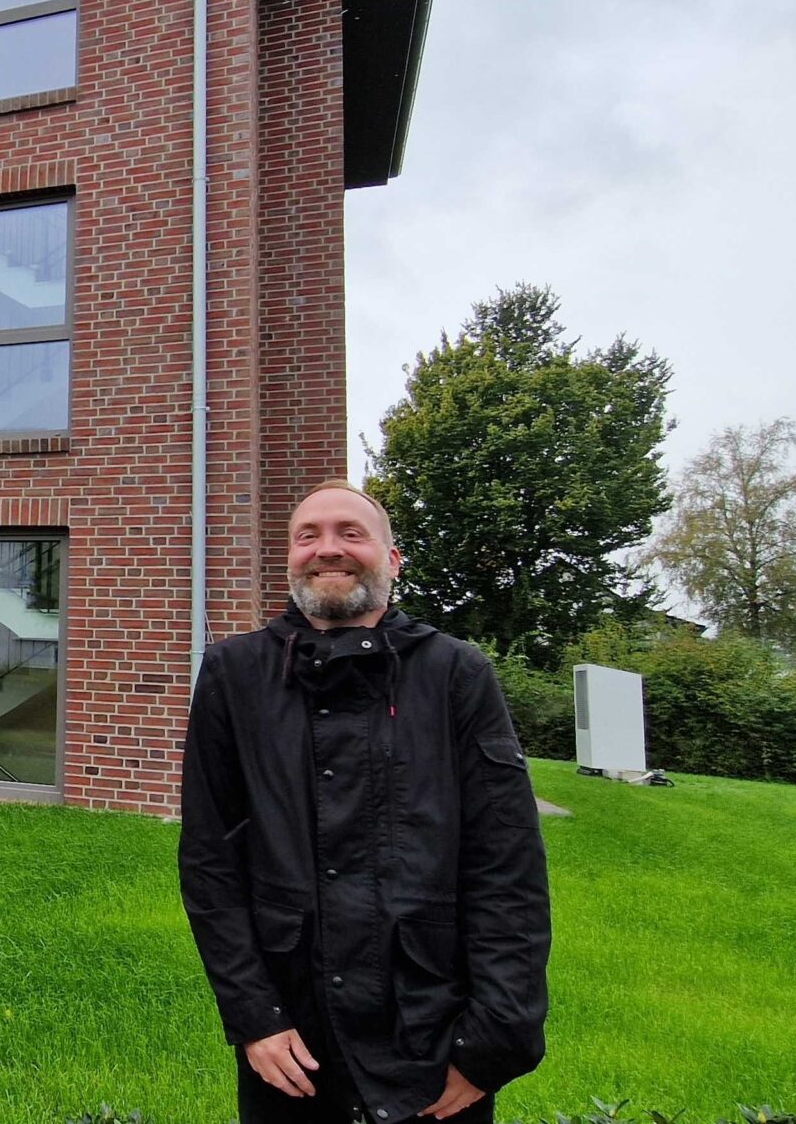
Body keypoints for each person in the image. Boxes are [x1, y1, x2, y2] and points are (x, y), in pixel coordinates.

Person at [178, 479, 551, 1124]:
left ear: (392, 557)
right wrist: (252, 1016)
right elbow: (211, 860)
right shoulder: (234, 675)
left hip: (432, 1040)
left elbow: (507, 866)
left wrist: (490, 1045)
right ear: (288, 557)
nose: (329, 549)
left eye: (351, 533)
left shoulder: (456, 674)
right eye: (308, 535)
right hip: (291, 1044)